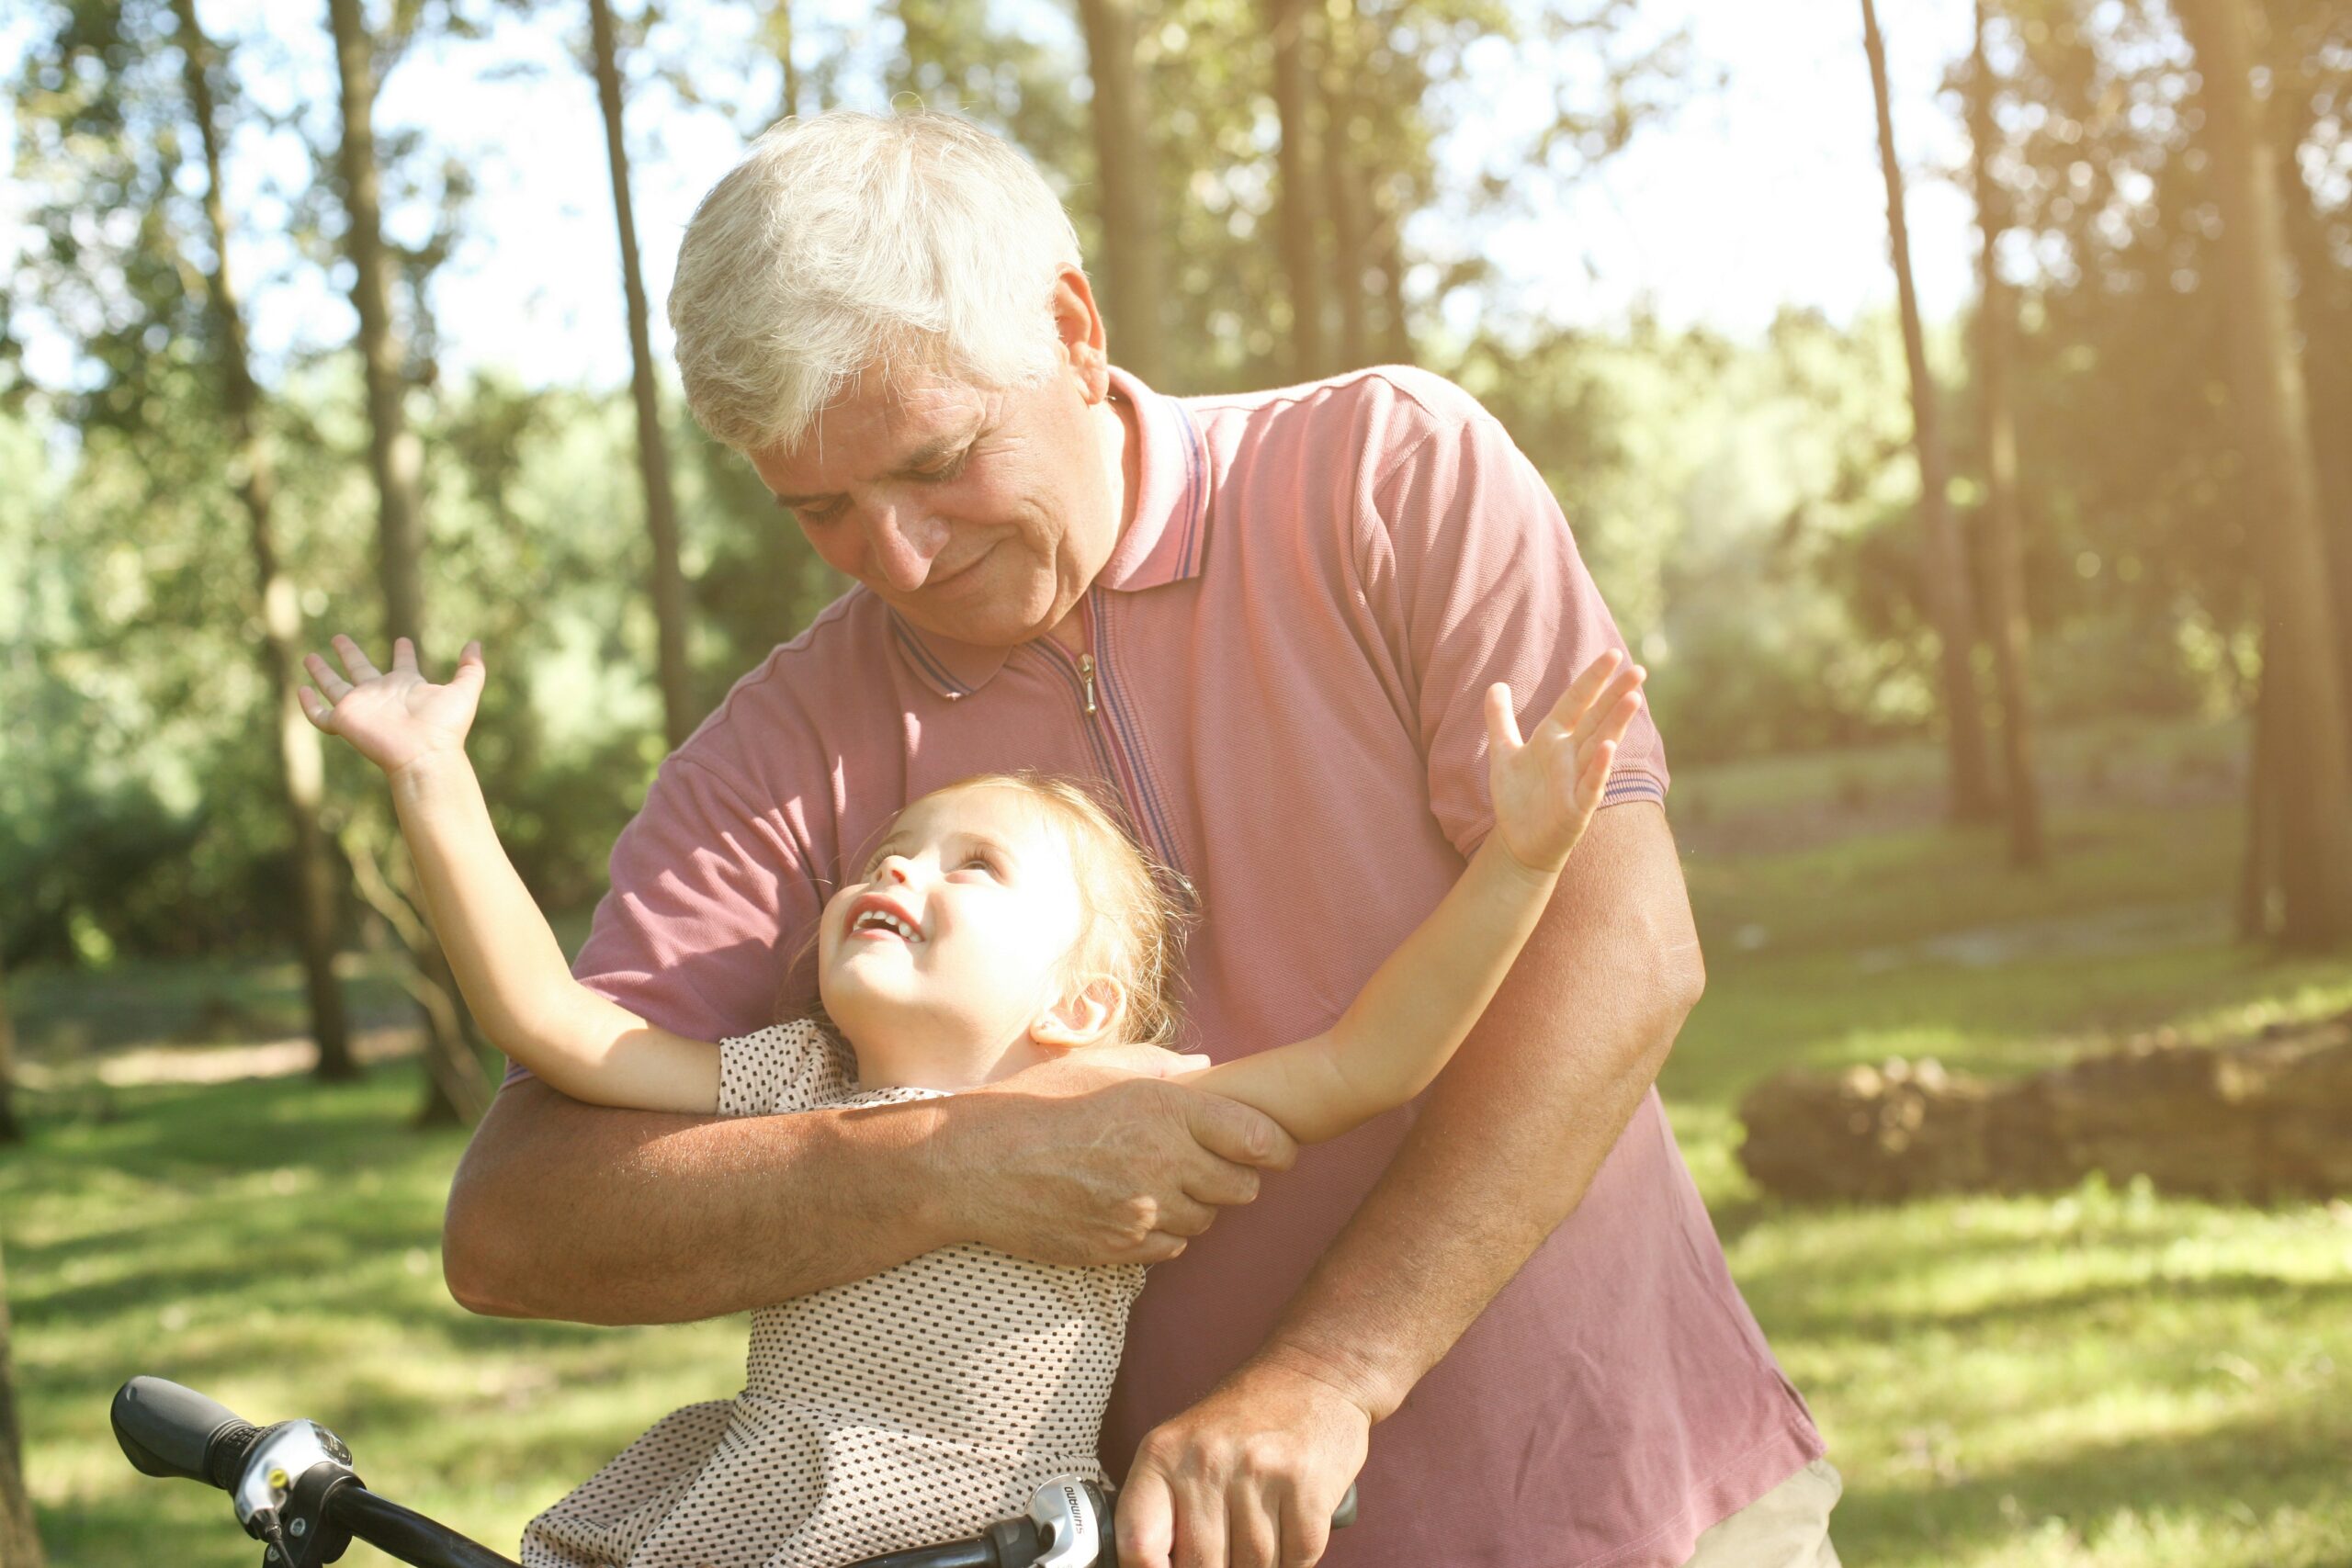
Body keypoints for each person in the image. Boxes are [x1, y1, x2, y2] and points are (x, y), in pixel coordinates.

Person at [442, 109, 1836, 1568]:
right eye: (822, 510)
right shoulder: (773, 758)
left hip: (1636, 1501)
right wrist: (952, 1161)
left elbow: (1628, 953)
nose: (897, 555)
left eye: (937, 461)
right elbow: (521, 1222)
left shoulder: (1388, 473)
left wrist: (1328, 1378)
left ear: (1071, 327)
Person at [300, 629, 1644, 1568]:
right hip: (776, 1518)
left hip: (989, 1538)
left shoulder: (1114, 1103)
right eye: (890, 853)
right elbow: (548, 1021)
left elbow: (1376, 1059)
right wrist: (433, 782)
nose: (902, 874)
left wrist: (1519, 862)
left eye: (974, 866)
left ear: (1076, 1004)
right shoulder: (787, 1085)